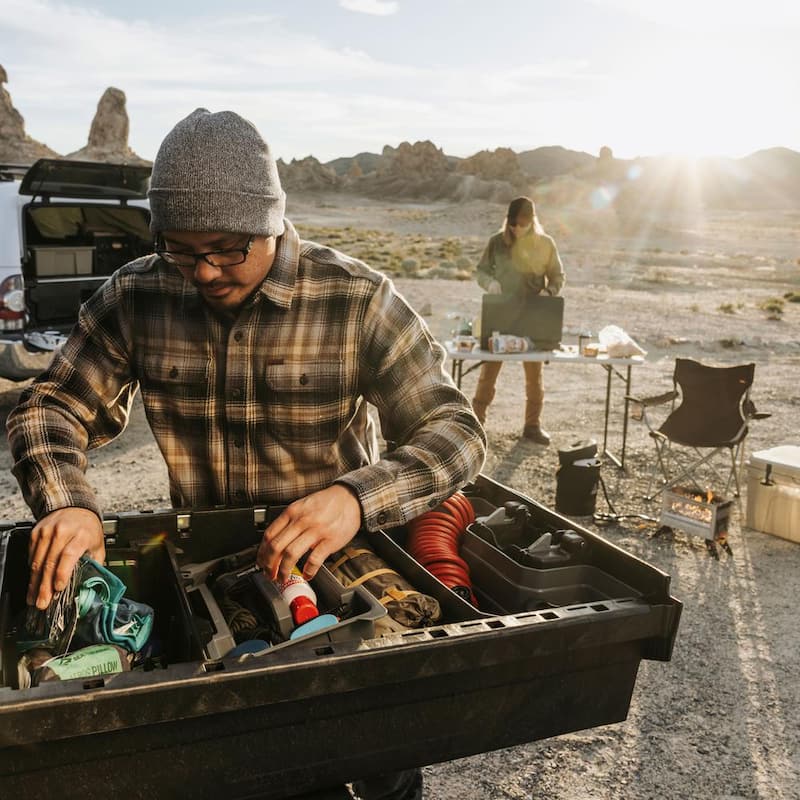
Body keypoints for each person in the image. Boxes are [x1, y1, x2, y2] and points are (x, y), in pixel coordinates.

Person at [6, 108, 486, 800]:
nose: (202, 272)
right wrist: (71, 503)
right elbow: (50, 405)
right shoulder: (140, 294)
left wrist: (355, 499)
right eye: (180, 248)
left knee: (379, 763)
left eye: (228, 248)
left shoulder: (356, 299)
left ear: (271, 221)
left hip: (343, 576)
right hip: (208, 583)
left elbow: (457, 432)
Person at [472, 196, 565, 444]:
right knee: (488, 371)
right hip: (501, 314)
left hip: (533, 317)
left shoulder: (546, 244)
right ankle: (476, 424)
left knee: (534, 376)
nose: (517, 229)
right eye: (513, 224)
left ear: (532, 222)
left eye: (522, 224)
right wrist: (489, 282)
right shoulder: (496, 242)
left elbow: (558, 277)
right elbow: (480, 270)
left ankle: (532, 426)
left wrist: (549, 292)